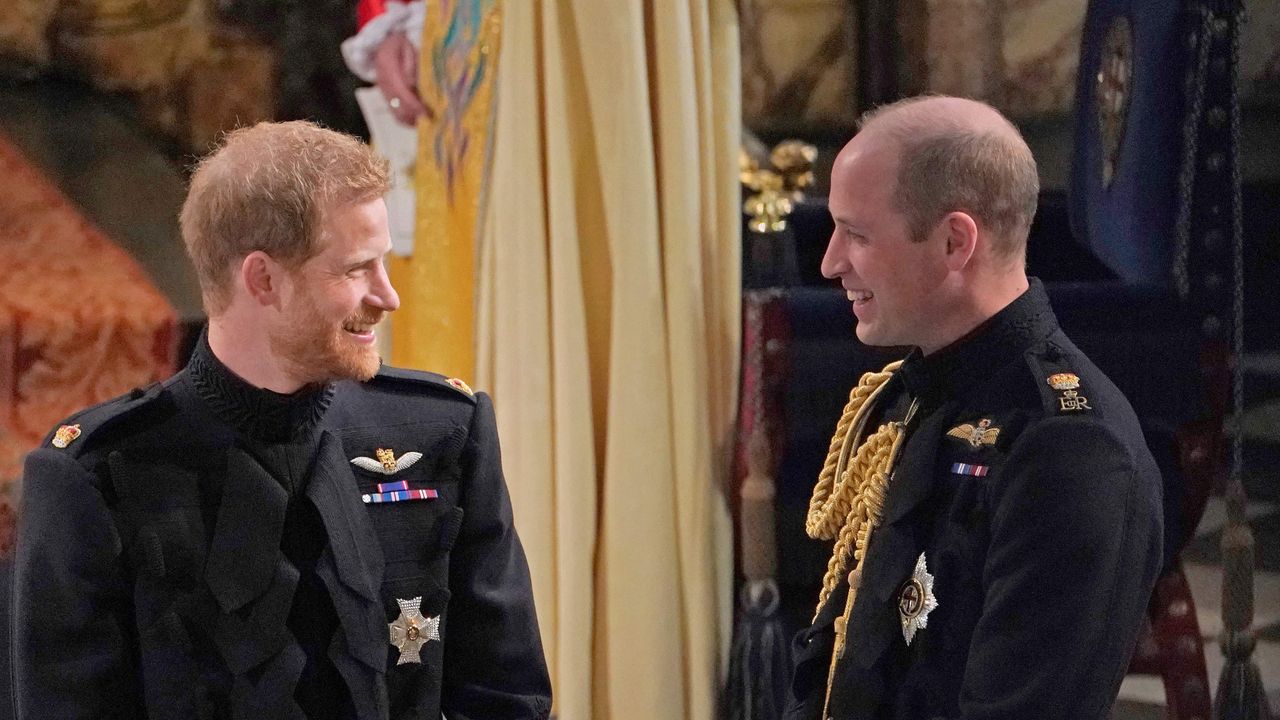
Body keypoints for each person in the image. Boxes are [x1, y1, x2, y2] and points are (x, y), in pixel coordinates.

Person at [11, 121, 551, 719]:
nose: (388, 295)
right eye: (356, 269)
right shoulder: (95, 475)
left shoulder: (443, 432)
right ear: (263, 279)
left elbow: (507, 697)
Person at [784, 96, 1162, 720]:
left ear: (955, 241)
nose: (830, 263)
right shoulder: (918, 391)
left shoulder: (1067, 452)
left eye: (857, 234)